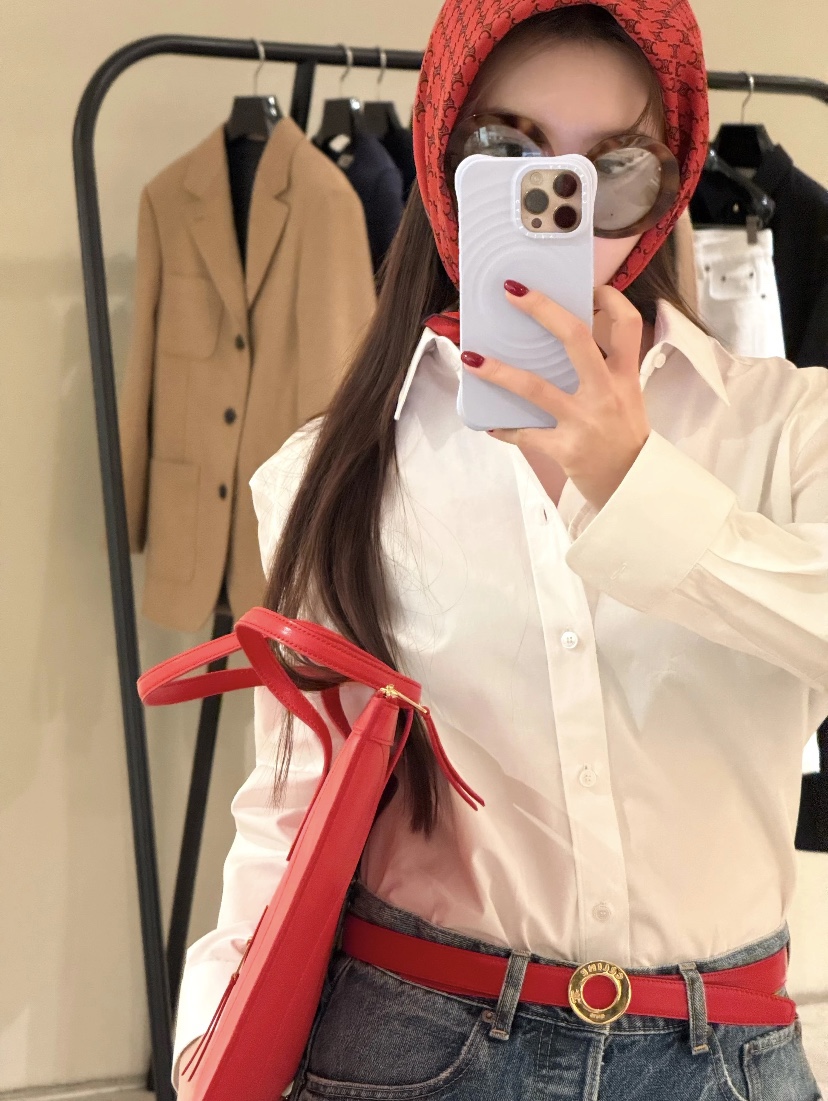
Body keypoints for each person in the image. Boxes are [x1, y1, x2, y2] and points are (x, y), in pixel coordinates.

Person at [173, 2, 828, 1098]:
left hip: (723, 1054)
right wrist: (212, 1047)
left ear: (670, 187)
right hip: (410, 1043)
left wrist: (635, 485)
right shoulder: (331, 470)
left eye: (613, 169)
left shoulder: (789, 426)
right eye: (507, 154)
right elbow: (288, 803)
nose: (561, 209)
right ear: (442, 164)